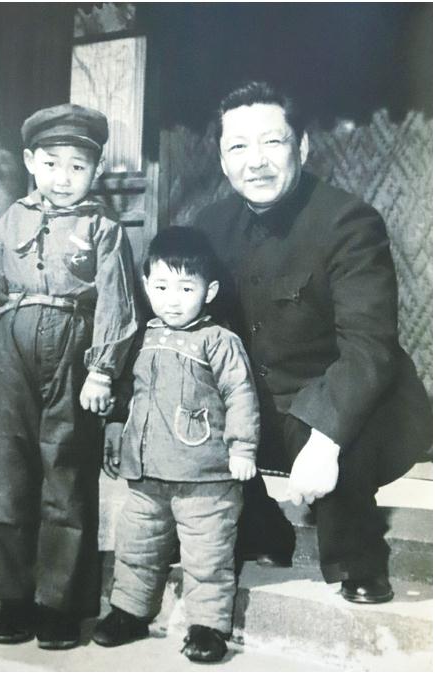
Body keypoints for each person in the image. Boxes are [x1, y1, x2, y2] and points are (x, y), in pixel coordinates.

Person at [194, 81, 431, 603]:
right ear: (223, 160)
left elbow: (369, 348)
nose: (256, 161)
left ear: (301, 147)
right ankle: (260, 528)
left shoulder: (348, 221)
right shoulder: (209, 227)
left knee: (330, 426)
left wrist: (325, 442)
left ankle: (360, 558)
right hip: (261, 407)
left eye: (272, 142)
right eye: (239, 147)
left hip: (357, 405)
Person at [0, 103, 138, 648]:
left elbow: (117, 303)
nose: (63, 177)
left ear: (96, 170)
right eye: (51, 163)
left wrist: (102, 370)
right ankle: (12, 598)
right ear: (30, 162)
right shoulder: (10, 219)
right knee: (6, 472)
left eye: (77, 166)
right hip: (12, 351)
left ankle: (60, 606)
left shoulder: (105, 229)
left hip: (74, 353)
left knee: (66, 474)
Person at [93, 227, 260, 663]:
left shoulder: (219, 341)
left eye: (186, 289)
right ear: (146, 285)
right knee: (136, 546)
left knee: (207, 555)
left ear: (209, 292)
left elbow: (241, 395)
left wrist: (242, 448)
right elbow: (126, 392)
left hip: (205, 478)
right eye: (162, 287)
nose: (172, 299)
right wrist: (115, 428)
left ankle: (208, 627)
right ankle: (129, 611)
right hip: (147, 474)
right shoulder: (142, 337)